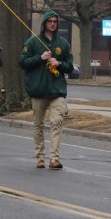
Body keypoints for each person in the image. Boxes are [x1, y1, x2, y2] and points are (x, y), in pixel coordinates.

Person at [18, 9, 73, 170]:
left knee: (56, 122)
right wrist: (40, 58)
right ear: (44, 23)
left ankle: (54, 158)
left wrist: (60, 64)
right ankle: (40, 157)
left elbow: (70, 66)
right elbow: (22, 62)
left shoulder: (63, 43)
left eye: (55, 22)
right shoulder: (33, 42)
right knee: (38, 124)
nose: (53, 24)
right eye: (50, 21)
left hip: (57, 90)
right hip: (38, 89)